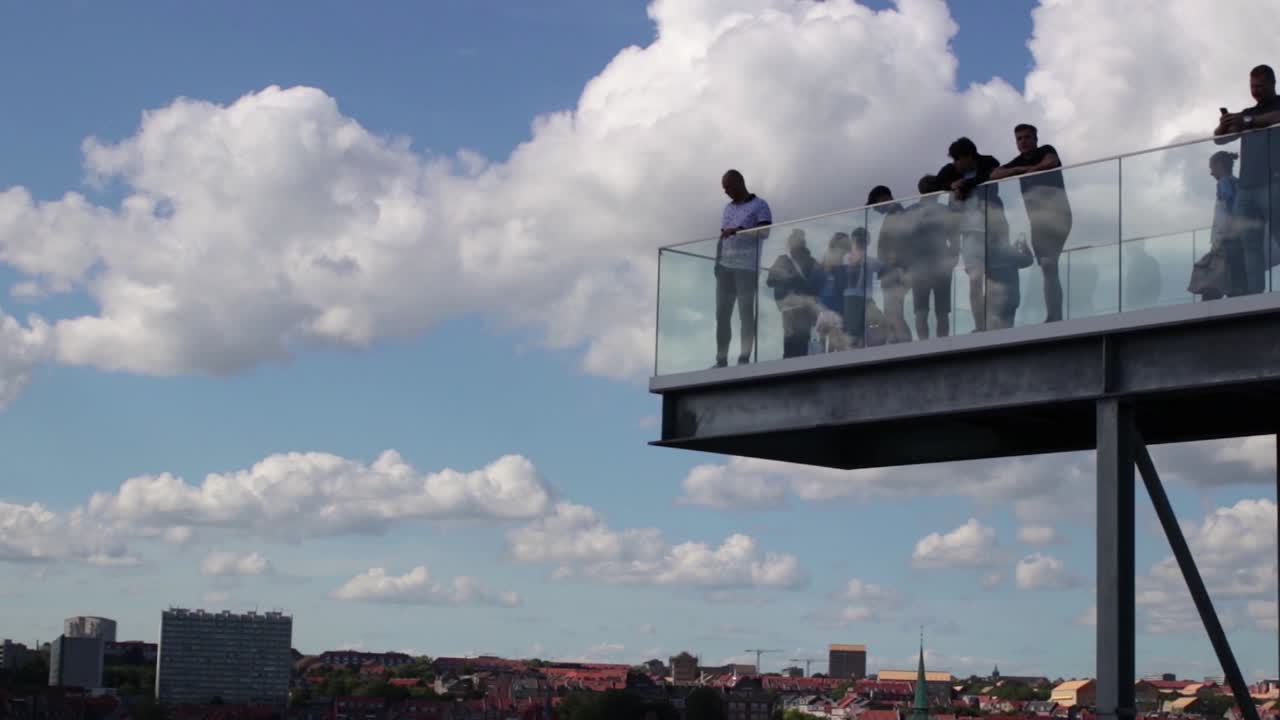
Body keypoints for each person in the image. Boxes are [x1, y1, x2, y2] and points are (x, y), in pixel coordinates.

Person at [990, 124, 1073, 322]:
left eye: (1027, 137)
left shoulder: (1046, 150)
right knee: (1047, 265)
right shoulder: (1018, 161)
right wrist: (1021, 169)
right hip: (1038, 222)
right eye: (1019, 139)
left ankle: (1055, 315)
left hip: (1058, 215)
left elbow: (1051, 162)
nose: (1023, 142)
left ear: (1035, 139)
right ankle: (1054, 315)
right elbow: (994, 174)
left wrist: (1031, 170)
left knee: (1049, 264)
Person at [936, 137, 1020, 330]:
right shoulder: (951, 171)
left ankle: (999, 322)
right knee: (975, 279)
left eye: (959, 159)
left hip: (993, 231)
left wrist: (962, 185)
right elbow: (931, 183)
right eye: (954, 160)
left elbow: (986, 177)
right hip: (969, 234)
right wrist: (951, 185)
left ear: (969, 156)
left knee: (997, 278)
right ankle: (980, 324)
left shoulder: (988, 162)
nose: (956, 164)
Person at [1215, 64, 1280, 295]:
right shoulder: (1246, 113)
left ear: (1273, 84)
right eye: (1253, 86)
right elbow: (1219, 140)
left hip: (1274, 183)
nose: (1256, 91)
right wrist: (1224, 125)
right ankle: (1255, 297)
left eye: (1260, 86)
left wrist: (1248, 122)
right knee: (1249, 246)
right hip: (1247, 188)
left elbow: (1275, 117)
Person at [714, 169, 772, 367]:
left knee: (745, 314)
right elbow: (722, 236)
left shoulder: (760, 205)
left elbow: (765, 232)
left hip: (746, 268)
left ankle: (744, 358)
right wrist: (717, 261)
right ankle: (721, 359)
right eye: (724, 187)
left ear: (740, 182)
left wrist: (739, 231)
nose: (726, 191)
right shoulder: (727, 208)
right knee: (722, 314)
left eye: (728, 186)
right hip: (726, 268)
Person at [867, 186, 912, 343]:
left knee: (893, 311)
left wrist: (895, 261)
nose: (875, 209)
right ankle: (897, 341)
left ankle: (904, 344)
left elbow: (902, 240)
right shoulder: (895, 214)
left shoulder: (897, 214)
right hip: (893, 270)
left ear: (882, 199)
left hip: (895, 271)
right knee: (893, 311)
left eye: (875, 205)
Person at [765, 228, 819, 358]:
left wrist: (787, 278)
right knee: (801, 342)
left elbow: (770, 280)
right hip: (798, 307)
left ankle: (791, 367)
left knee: (791, 342)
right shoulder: (811, 261)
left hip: (793, 306)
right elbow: (771, 281)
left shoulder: (784, 260)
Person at [843, 227, 885, 348]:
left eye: (864, 241)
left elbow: (885, 269)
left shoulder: (870, 261)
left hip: (861, 300)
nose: (862, 243)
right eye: (860, 240)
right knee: (855, 334)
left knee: (862, 331)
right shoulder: (847, 259)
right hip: (852, 300)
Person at [812, 232, 854, 351]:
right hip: (825, 311)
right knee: (825, 343)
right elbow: (814, 290)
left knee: (833, 344)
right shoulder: (822, 268)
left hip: (837, 313)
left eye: (843, 249)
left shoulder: (845, 269)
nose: (840, 253)